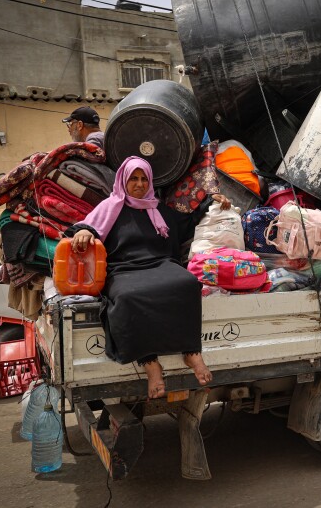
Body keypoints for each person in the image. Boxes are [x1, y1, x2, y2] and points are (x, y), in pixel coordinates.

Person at [68, 156, 231, 398]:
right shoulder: (110, 207)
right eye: (133, 178)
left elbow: (185, 223)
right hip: (123, 270)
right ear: (123, 180)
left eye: (144, 178)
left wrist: (210, 202)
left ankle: (191, 352)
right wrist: (82, 231)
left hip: (161, 264)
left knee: (187, 283)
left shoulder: (157, 209)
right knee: (127, 297)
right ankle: (150, 363)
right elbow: (87, 227)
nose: (139, 183)